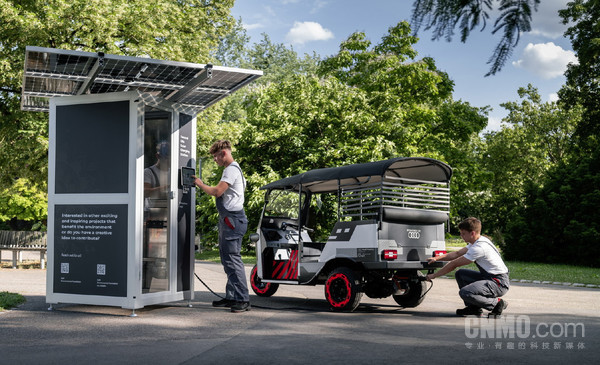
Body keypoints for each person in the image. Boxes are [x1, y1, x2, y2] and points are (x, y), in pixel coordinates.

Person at [193, 140, 250, 313]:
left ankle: (242, 299)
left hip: (232, 220)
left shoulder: (231, 170)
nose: (214, 160)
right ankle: (232, 296)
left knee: (232, 259)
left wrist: (200, 183)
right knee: (227, 260)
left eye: (215, 157)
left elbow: (217, 192)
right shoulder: (234, 169)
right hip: (230, 220)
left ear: (223, 153)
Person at [426, 217, 510, 317]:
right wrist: (437, 258)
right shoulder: (477, 241)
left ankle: (497, 303)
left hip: (498, 283)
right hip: (490, 277)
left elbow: (454, 264)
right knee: (461, 274)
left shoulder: (479, 247)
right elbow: (457, 253)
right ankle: (474, 308)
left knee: (465, 293)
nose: (461, 236)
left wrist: (434, 275)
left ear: (472, 233)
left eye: (463, 233)